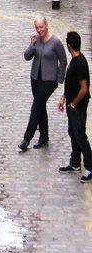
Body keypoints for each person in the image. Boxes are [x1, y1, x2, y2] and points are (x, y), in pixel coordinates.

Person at [19, 15, 66, 152]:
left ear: (46, 25)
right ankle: (44, 136)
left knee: (35, 107)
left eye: (42, 27)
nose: (40, 30)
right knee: (40, 107)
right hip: (35, 78)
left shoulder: (55, 42)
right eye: (37, 28)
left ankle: (26, 139)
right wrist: (32, 44)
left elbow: (63, 60)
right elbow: (27, 57)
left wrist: (59, 79)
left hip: (49, 80)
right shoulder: (36, 40)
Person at [57, 31, 92, 182]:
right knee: (73, 132)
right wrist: (64, 97)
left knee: (80, 136)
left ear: (69, 45)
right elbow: (70, 83)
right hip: (72, 105)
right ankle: (75, 162)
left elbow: (84, 88)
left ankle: (90, 167)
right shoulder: (75, 60)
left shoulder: (80, 63)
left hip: (77, 107)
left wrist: (73, 104)